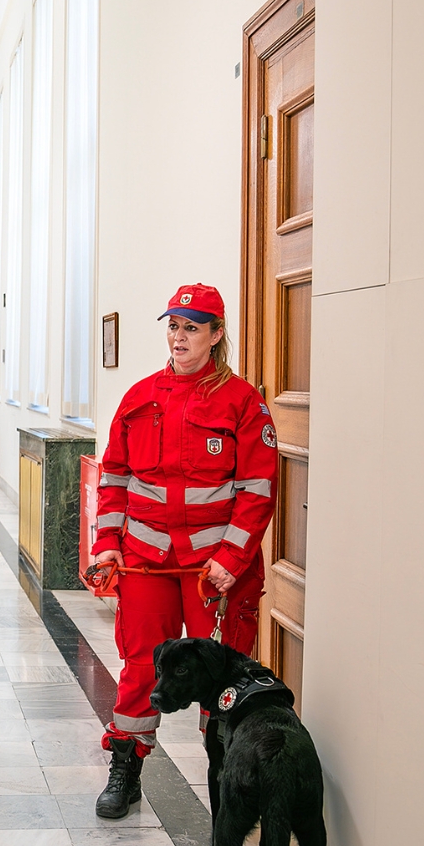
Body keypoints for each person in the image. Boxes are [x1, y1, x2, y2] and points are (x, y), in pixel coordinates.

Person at [90, 283, 278, 818]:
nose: (179, 336)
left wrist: (231, 561)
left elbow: (258, 491)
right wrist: (107, 548)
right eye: (173, 325)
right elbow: (116, 480)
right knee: (140, 666)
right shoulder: (139, 397)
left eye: (192, 327)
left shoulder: (242, 402)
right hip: (146, 561)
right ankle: (125, 768)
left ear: (216, 336)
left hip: (213, 570)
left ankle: (231, 785)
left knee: (223, 680)